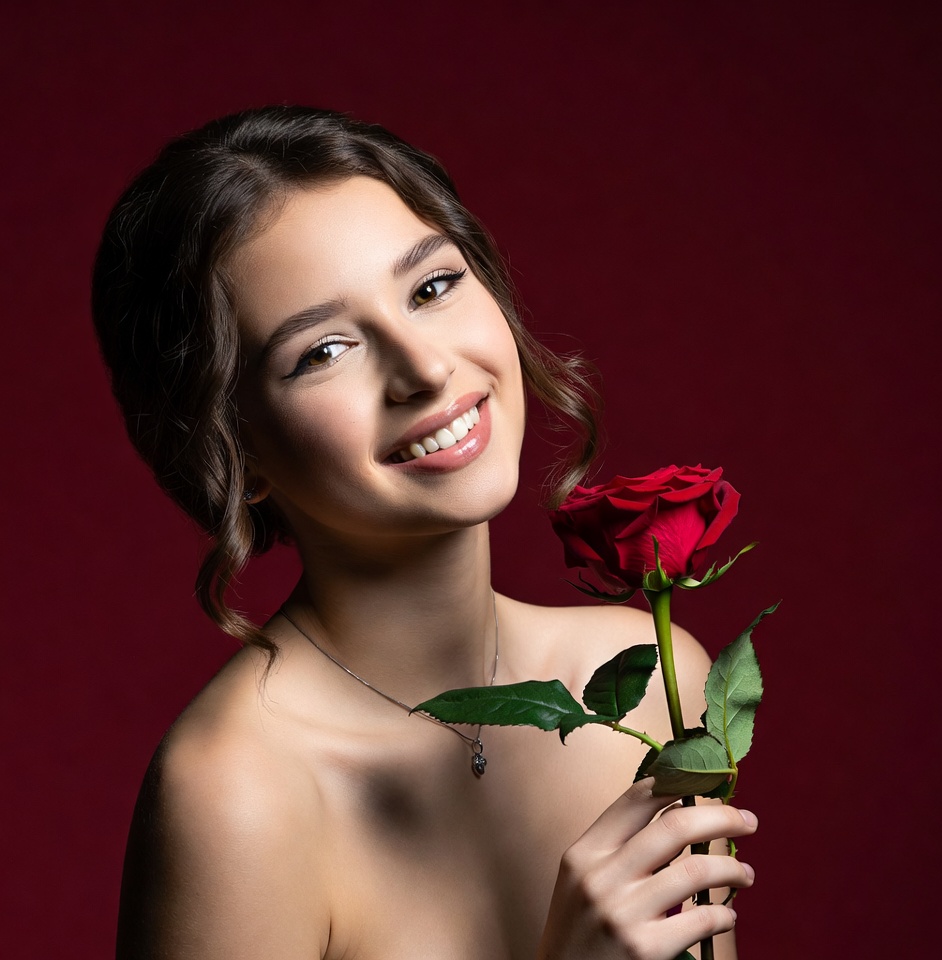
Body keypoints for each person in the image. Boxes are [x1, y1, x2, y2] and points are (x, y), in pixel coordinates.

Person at [92, 105, 757, 960]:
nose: (425, 368)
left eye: (433, 287)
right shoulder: (235, 794)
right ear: (236, 449)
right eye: (324, 350)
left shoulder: (657, 676)